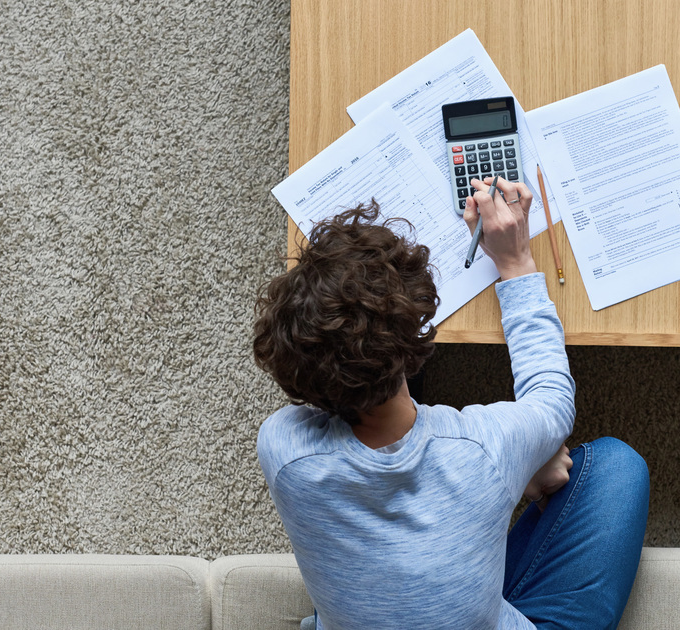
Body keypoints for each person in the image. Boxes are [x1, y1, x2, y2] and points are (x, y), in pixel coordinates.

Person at [253, 175, 650, 629]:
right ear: (418, 331)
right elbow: (553, 400)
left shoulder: (282, 447)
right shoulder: (483, 448)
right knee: (617, 465)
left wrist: (516, 466)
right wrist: (517, 262)